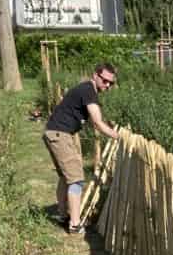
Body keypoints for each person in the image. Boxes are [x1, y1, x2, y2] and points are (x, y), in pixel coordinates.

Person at [43, 62, 120, 233]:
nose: (107, 85)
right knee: (76, 179)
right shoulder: (88, 90)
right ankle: (75, 224)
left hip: (58, 133)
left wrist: (110, 127)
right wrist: (118, 136)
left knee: (66, 176)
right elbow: (98, 123)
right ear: (95, 75)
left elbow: (97, 119)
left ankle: (64, 215)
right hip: (60, 134)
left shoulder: (87, 90)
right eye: (105, 81)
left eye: (111, 83)